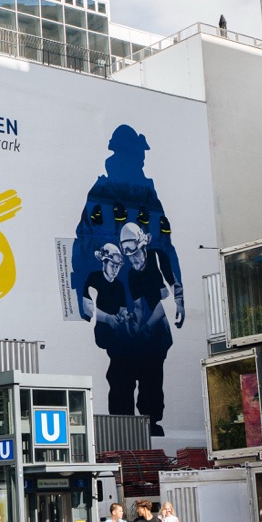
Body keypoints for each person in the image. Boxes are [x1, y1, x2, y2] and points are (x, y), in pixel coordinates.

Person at [70, 125, 184, 438]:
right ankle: (125, 434)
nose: (141, 161)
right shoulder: (103, 192)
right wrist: (80, 294)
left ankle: (151, 428)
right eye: (136, 154)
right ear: (124, 154)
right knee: (120, 376)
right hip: (116, 302)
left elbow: (166, 246)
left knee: (149, 375)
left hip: (148, 302)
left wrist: (178, 294)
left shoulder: (147, 194)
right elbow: (82, 246)